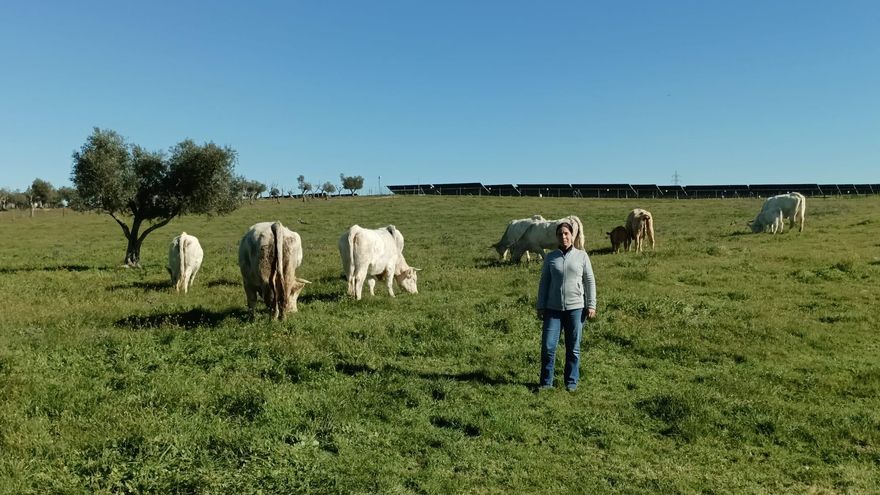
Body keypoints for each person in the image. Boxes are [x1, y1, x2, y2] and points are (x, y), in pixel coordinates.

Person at [536, 221, 597, 391]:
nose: (563, 237)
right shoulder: (550, 257)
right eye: (560, 234)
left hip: (576, 309)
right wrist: (541, 305)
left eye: (566, 233)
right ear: (556, 237)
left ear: (572, 235)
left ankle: (571, 382)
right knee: (548, 347)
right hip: (552, 309)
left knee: (573, 348)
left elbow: (589, 281)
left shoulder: (582, 256)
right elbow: (544, 282)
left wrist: (591, 305)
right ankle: (546, 383)